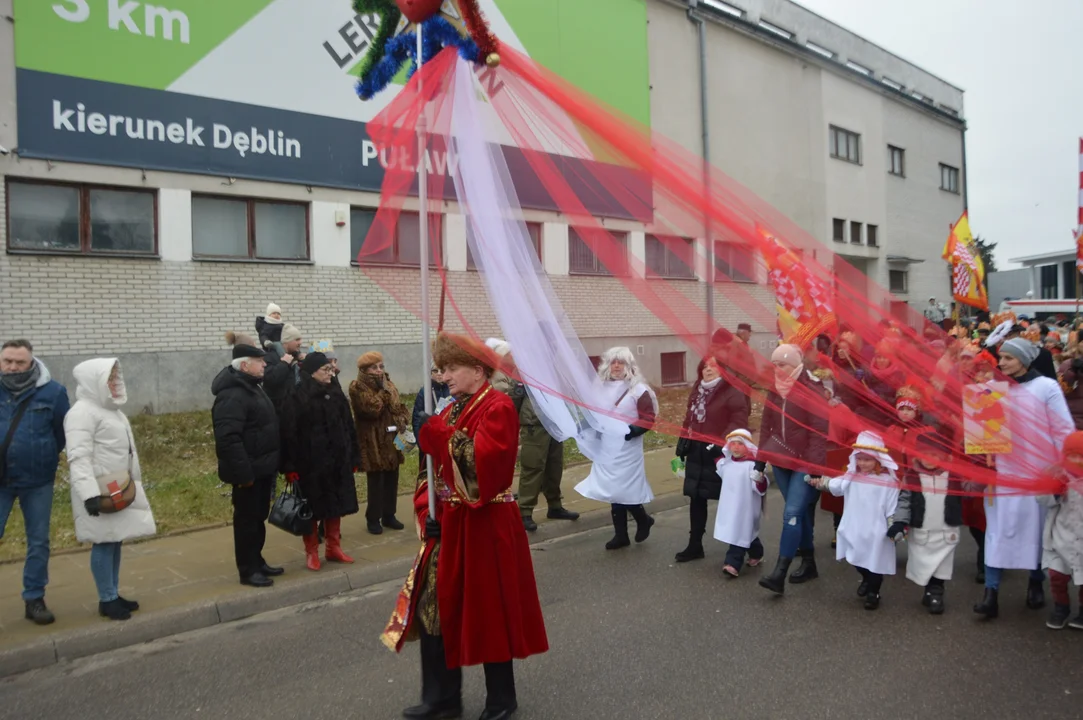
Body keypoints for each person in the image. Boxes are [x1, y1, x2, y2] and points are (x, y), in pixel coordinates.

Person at [384, 332, 547, 720]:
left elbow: (485, 470)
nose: (443, 375)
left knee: (490, 610)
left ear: (478, 370)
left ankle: (501, 700)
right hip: (452, 527)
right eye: (441, 368)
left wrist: (437, 434)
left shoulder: (498, 407)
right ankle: (441, 698)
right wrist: (429, 514)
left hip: (487, 524)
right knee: (433, 607)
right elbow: (432, 473)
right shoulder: (452, 409)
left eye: (451, 368)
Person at [975, 338, 1075, 619]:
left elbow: (1063, 429)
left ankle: (1035, 583)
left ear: (1024, 360)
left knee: (1037, 531)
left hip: (1038, 473)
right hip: (1003, 474)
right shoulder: (993, 390)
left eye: (1007, 358)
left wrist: (1059, 466)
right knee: (997, 532)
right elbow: (984, 432)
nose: (1001, 363)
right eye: (1000, 357)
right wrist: (984, 450)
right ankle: (990, 594)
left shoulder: (1046, 387)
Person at [64, 359, 157, 620]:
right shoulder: (81, 413)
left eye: (116, 377)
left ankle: (113, 593)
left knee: (115, 539)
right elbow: (78, 457)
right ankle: (106, 598)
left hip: (118, 490)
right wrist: (89, 494)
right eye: (110, 378)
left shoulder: (111, 411)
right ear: (95, 381)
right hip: (101, 492)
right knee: (104, 542)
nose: (115, 382)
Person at [0, 339, 70, 625]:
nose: (13, 367)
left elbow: (61, 432)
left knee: (38, 541)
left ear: (31, 363)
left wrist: (41, 456)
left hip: (37, 479)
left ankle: (34, 598)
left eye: (19, 362)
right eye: (7, 362)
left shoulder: (53, 393)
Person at [212, 333, 283, 588]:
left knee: (258, 518)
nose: (264, 364)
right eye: (259, 361)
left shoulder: (252, 388)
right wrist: (244, 476)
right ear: (244, 365)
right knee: (246, 521)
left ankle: (258, 560)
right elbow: (228, 440)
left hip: (262, 469)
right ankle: (247, 569)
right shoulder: (232, 395)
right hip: (248, 474)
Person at [756, 344, 828, 595]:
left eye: (782, 364)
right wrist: (760, 460)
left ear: (795, 364)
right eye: (774, 364)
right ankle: (809, 562)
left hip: (805, 462)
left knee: (792, 512)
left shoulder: (812, 389)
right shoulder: (775, 388)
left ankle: (780, 572)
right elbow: (767, 425)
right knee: (801, 513)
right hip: (780, 460)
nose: (777, 369)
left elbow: (820, 432)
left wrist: (816, 467)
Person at [281, 353, 361, 570]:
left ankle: (333, 548)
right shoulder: (297, 395)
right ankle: (312, 552)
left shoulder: (335, 392)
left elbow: (349, 426)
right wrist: (290, 466)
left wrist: (354, 456)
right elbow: (289, 433)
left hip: (338, 461)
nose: (330, 373)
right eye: (325, 369)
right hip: (310, 464)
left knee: (336, 505)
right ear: (312, 372)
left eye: (331, 369)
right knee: (312, 509)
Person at [575, 347, 658, 550]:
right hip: (607, 447)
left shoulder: (638, 390)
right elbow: (594, 414)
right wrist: (584, 427)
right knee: (612, 489)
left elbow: (648, 418)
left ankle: (642, 520)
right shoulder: (600, 388)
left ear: (629, 365)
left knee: (624, 488)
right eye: (613, 362)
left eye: (620, 362)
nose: (616, 366)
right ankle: (621, 535)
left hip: (628, 447)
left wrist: (631, 431)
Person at [808, 431, 901, 610]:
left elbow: (892, 506)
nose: (862, 463)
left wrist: (893, 526)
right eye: (859, 459)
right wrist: (819, 482)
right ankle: (865, 578)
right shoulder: (851, 477)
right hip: (854, 527)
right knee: (855, 557)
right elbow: (835, 485)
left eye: (867, 459)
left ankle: (874, 592)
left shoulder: (888, 482)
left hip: (876, 530)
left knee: (875, 561)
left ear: (878, 460)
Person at [674, 355, 749, 562]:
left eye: (713, 366)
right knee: (696, 499)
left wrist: (720, 444)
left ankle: (748, 546)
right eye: (705, 366)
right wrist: (682, 444)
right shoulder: (697, 391)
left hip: (719, 454)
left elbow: (739, 420)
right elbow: (689, 419)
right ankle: (695, 545)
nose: (708, 370)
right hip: (696, 453)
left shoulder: (732, 391)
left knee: (732, 500)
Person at [893, 433, 963, 614]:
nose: (930, 460)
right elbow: (904, 501)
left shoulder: (953, 476)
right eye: (925, 455)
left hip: (946, 531)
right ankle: (930, 590)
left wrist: (983, 479)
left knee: (942, 564)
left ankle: (936, 592)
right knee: (923, 564)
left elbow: (969, 491)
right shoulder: (912, 477)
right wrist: (899, 522)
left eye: (935, 455)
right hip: (922, 531)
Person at [349, 351, 411, 535]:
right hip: (372, 440)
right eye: (374, 367)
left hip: (391, 438)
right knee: (376, 480)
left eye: (381, 366)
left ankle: (389, 515)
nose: (379, 370)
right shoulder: (357, 387)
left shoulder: (388, 384)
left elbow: (398, 406)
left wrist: (402, 417)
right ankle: (373, 518)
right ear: (364, 370)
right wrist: (384, 391)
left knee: (392, 477)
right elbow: (372, 409)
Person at [515, 374, 579, 533]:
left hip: (555, 423)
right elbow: (514, 399)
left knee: (554, 467)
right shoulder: (523, 370)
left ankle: (555, 505)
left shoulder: (550, 369)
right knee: (533, 467)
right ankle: (525, 512)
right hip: (534, 425)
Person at [1039, 431, 1083, 629]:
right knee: (1057, 575)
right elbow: (1041, 499)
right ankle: (1061, 607)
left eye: (1080, 456)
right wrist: (1055, 491)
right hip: (1060, 535)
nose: (1076, 461)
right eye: (1072, 456)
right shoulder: (1057, 474)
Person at [712, 429, 768, 577]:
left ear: (748, 446)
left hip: (746, 508)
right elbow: (719, 465)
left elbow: (761, 488)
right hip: (730, 506)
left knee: (740, 532)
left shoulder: (752, 466)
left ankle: (732, 563)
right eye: (733, 444)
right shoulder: (726, 464)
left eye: (740, 444)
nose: (736, 447)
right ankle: (757, 553)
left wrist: (759, 478)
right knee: (748, 534)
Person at [264, 323, 303, 416]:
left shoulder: (296, 357)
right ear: (286, 342)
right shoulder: (270, 357)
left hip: (295, 409)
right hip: (279, 412)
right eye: (297, 339)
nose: (300, 342)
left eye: (300, 339)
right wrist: (284, 364)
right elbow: (269, 379)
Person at [413, 365, 453, 439]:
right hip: (430, 436)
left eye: (442, 371)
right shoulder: (424, 391)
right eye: (435, 371)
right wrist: (421, 444)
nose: (439, 373)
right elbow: (416, 419)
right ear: (430, 373)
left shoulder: (452, 389)